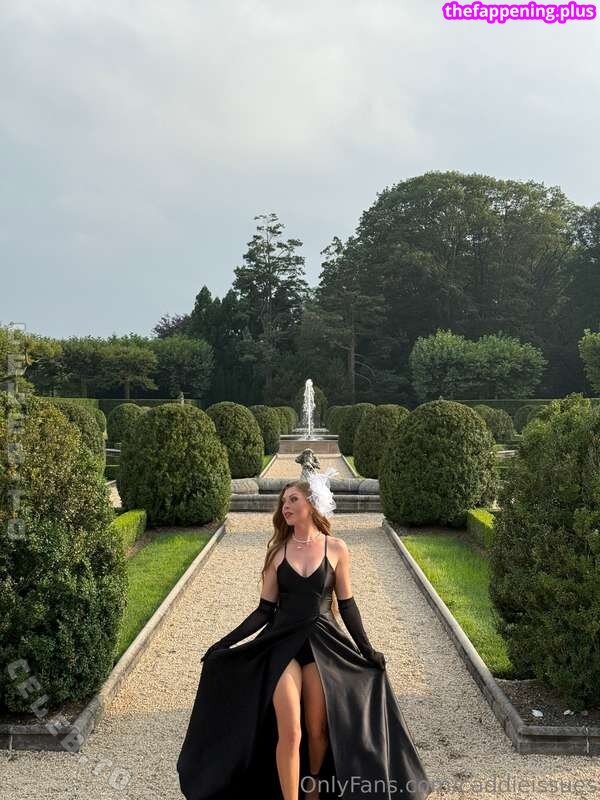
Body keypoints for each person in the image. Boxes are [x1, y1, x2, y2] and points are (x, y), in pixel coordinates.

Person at [177, 473, 434, 800]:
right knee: (292, 731)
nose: (285, 506)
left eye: (293, 500)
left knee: (317, 731)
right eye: (283, 501)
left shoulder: (336, 548)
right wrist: (224, 643)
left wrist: (367, 649)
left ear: (311, 504)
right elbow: (263, 611)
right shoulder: (277, 553)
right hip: (281, 644)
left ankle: (312, 789)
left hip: (323, 646)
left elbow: (347, 605)